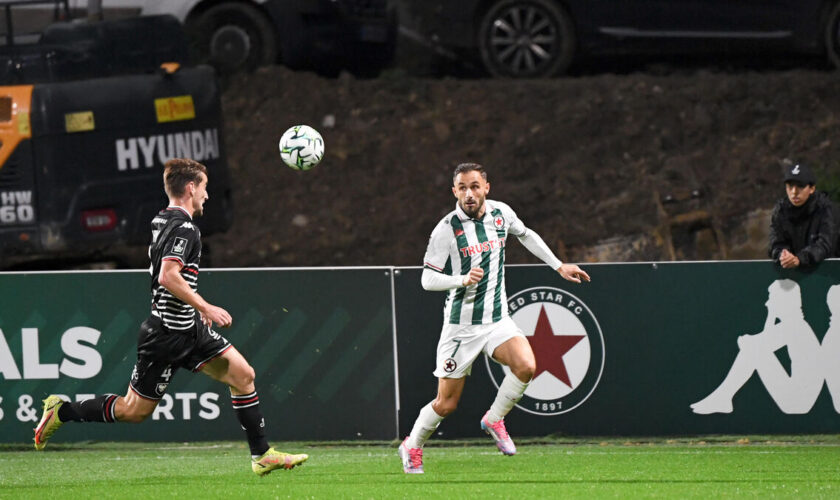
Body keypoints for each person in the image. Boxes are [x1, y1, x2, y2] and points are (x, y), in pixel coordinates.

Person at [33, 158, 308, 476]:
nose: (207, 194)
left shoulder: (162, 219)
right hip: (165, 335)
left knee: (243, 376)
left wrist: (193, 311)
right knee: (132, 412)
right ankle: (62, 411)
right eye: (204, 187)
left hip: (188, 329)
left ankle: (262, 456)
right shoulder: (185, 227)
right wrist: (204, 306)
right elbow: (167, 275)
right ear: (191, 187)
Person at [398, 162, 590, 474]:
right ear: (454, 192)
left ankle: (494, 418)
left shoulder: (502, 213)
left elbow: (526, 235)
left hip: (497, 319)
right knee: (446, 404)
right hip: (461, 328)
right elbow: (427, 280)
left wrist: (558, 265)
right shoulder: (446, 229)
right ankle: (412, 445)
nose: (469, 193)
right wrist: (460, 280)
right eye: (462, 187)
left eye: (475, 186)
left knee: (526, 366)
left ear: (487, 187)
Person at [690, 279, 823, 415]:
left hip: (797, 401)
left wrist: (750, 338)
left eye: (771, 299)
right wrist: (771, 315)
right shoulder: (795, 324)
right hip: (798, 400)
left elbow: (754, 344)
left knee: (752, 348)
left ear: (783, 301)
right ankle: (723, 396)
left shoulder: (794, 326)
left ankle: (723, 397)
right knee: (754, 347)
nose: (767, 304)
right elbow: (763, 341)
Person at [769, 162, 837, 269]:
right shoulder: (780, 211)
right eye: (790, 186)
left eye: (800, 186)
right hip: (792, 273)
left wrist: (800, 259)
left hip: (829, 274)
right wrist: (783, 256)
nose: (794, 192)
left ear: (812, 189)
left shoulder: (825, 209)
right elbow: (776, 244)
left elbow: (825, 244)